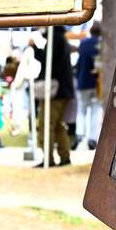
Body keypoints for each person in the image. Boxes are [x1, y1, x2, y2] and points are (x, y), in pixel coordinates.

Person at [34, 30, 74, 167]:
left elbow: (47, 61)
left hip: (54, 91)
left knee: (46, 125)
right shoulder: (61, 39)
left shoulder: (55, 39)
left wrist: (35, 49)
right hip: (62, 90)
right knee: (57, 125)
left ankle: (49, 159)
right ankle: (64, 157)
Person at [76, 21, 103, 150]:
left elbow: (79, 63)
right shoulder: (102, 45)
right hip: (97, 83)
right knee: (95, 110)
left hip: (83, 81)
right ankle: (92, 139)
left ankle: (79, 135)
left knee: (81, 109)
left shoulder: (83, 43)